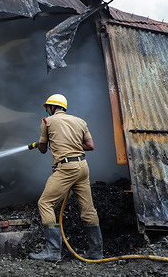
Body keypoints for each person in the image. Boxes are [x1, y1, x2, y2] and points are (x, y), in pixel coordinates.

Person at [29, 94, 103, 261]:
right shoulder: (80, 121)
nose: (47, 110)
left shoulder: (47, 122)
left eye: (48, 107)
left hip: (66, 168)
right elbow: (90, 146)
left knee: (45, 203)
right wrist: (73, 145)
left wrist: (40, 144)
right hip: (82, 167)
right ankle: (96, 252)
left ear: (53, 107)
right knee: (88, 209)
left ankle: (53, 252)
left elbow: (42, 149)